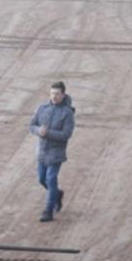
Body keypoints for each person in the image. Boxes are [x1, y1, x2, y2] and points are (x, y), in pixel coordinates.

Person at [29, 81, 75, 222]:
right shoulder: (42, 108)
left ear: (63, 94)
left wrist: (47, 133)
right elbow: (32, 125)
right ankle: (57, 194)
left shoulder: (67, 113)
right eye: (52, 93)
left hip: (56, 153)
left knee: (50, 179)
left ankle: (48, 212)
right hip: (42, 152)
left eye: (57, 94)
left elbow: (66, 134)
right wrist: (38, 131)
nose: (54, 96)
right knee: (42, 179)